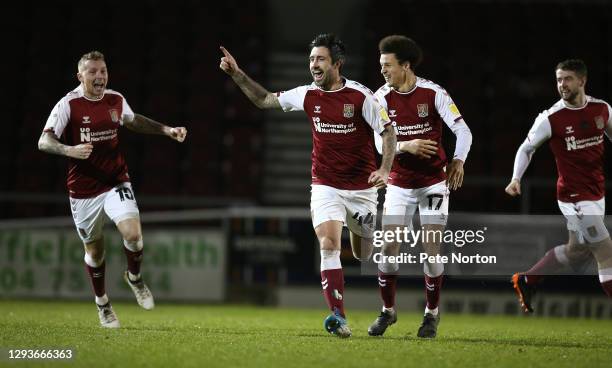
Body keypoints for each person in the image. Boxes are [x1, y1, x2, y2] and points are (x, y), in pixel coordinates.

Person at [219, 33, 396, 338]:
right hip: (325, 184)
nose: (314, 64)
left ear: (337, 64)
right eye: (312, 58)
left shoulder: (362, 97)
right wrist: (237, 74)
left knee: (363, 252)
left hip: (362, 190)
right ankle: (338, 318)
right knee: (328, 245)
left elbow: (388, 133)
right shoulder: (307, 94)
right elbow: (264, 99)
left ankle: (361, 243)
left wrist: (384, 169)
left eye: (320, 59)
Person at [38, 51, 187, 328]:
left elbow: (133, 120)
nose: (100, 76)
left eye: (103, 71)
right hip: (83, 190)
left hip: (116, 180)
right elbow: (44, 142)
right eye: (93, 72)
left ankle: (134, 278)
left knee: (133, 234)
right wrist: (69, 149)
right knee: (95, 253)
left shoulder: (115, 99)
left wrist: (167, 130)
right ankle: (103, 303)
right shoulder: (68, 105)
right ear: (80, 76)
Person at [369, 35, 472, 338]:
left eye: (388, 66)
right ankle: (388, 311)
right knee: (389, 247)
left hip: (432, 184)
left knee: (431, 249)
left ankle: (431, 314)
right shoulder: (381, 97)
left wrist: (458, 160)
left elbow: (463, 130)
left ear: (406, 65)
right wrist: (406, 145)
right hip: (399, 184)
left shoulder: (433, 92)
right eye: (381, 65)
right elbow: (378, 141)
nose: (383, 71)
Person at [506, 59, 612, 313]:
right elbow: (526, 148)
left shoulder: (602, 109)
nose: (562, 85)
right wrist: (516, 178)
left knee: (577, 251)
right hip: (573, 196)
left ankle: (528, 279)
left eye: (567, 79)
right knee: (605, 251)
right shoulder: (551, 118)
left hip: (596, 192)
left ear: (582, 81)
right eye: (558, 80)